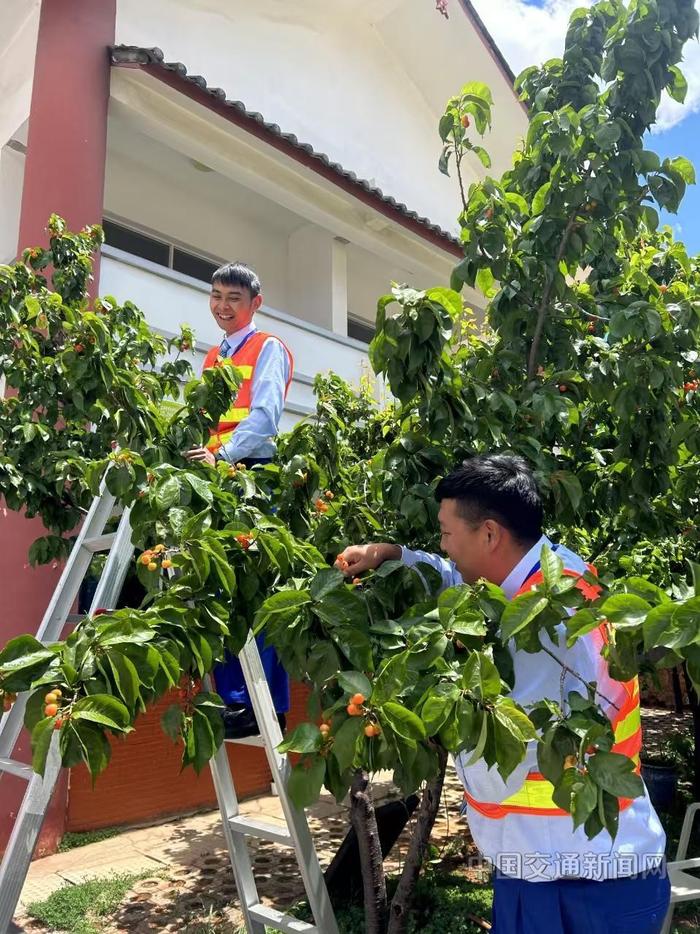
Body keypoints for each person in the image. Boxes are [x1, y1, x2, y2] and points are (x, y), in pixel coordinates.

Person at [337, 454, 670, 934]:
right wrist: (392, 554)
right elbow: (463, 580)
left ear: (489, 534)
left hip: (581, 880)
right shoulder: (554, 576)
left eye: (448, 534)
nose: (443, 545)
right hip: (559, 866)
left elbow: (494, 759)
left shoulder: (541, 632)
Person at [186, 262, 293, 739]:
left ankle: (264, 702)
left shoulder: (266, 347)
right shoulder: (213, 358)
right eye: (216, 296)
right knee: (220, 590)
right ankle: (235, 701)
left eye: (233, 297)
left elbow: (266, 418)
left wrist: (220, 455)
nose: (222, 306)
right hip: (218, 476)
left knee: (256, 590)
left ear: (255, 303)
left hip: (251, 476)